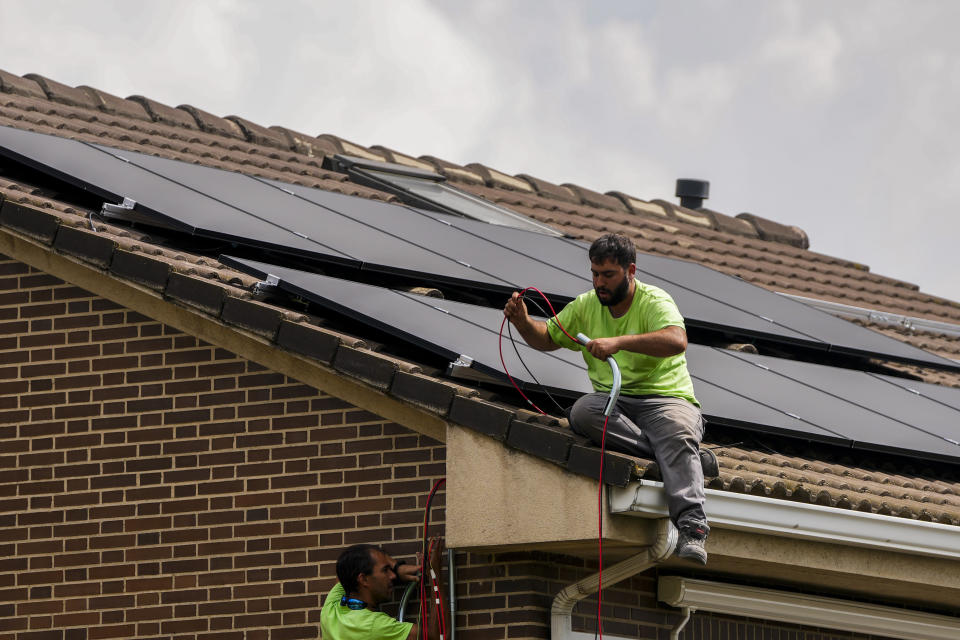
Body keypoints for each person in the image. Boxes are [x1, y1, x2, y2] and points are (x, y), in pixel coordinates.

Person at [502, 233, 717, 564]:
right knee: (583, 412)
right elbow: (547, 338)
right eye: (595, 273)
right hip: (614, 402)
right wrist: (524, 322)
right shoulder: (586, 304)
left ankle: (692, 526)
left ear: (630, 270)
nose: (599, 282)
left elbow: (676, 340)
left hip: (666, 399)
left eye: (608, 275)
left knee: (676, 429)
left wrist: (618, 342)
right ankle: (685, 459)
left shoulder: (654, 301)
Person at [320, 538, 448, 640]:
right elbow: (436, 636)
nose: (392, 575)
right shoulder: (375, 626)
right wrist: (435, 573)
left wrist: (397, 567)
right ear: (363, 579)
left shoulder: (330, 610)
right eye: (385, 570)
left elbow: (344, 569)